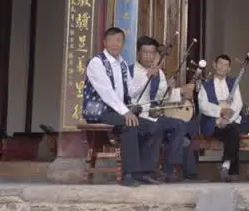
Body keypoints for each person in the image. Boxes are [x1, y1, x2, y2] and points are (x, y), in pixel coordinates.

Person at [81, 27, 164, 187]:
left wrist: (147, 77)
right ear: (105, 43)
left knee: (154, 128)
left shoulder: (122, 64)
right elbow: (107, 93)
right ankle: (129, 174)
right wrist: (126, 112)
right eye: (111, 40)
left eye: (119, 40)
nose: (115, 44)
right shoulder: (97, 63)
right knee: (130, 123)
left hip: (118, 110)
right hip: (100, 110)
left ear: (123, 44)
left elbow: (132, 91)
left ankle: (145, 172)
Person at [128, 36, 190, 182]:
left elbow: (163, 97)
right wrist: (146, 77)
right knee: (156, 127)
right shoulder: (129, 71)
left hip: (154, 114)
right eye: (145, 52)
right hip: (137, 115)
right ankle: (148, 171)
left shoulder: (159, 73)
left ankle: (169, 168)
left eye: (152, 53)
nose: (149, 56)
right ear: (138, 53)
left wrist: (178, 91)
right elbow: (129, 94)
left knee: (180, 125)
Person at [198, 54, 244, 182]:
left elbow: (238, 103)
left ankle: (226, 165)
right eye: (220, 64)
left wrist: (228, 118)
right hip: (212, 122)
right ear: (214, 65)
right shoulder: (206, 84)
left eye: (225, 65)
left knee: (233, 130)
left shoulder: (233, 82)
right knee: (233, 133)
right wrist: (220, 113)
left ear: (229, 68)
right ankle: (231, 168)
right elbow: (203, 106)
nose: (222, 67)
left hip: (230, 122)